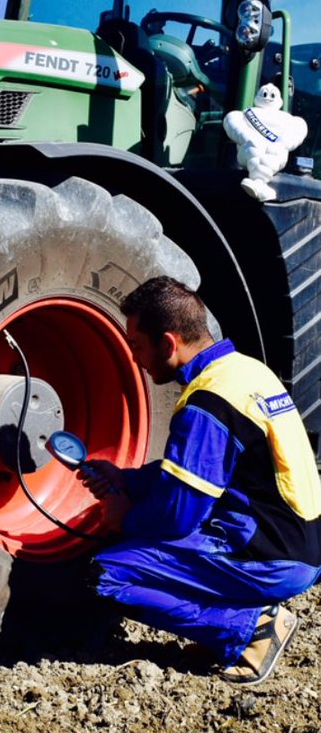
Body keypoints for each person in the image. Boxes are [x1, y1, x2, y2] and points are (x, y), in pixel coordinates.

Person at [81, 276, 321, 685]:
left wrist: (124, 518)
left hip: (271, 558)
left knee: (108, 574)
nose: (135, 359)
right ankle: (233, 621)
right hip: (300, 543)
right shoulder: (245, 372)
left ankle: (248, 630)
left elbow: (176, 518)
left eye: (137, 346)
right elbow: (197, 474)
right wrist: (127, 479)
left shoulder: (208, 405)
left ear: (169, 344)